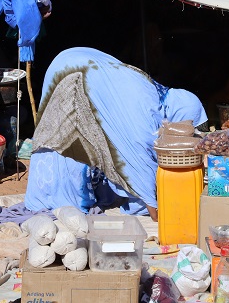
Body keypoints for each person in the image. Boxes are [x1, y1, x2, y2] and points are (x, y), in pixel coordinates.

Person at [29, 47, 207, 219]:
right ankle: (62, 200)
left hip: (68, 62)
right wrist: (154, 206)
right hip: (78, 72)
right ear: (178, 115)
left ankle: (50, 195)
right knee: (70, 139)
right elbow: (139, 155)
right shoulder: (147, 110)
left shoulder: (154, 92)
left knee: (64, 130)